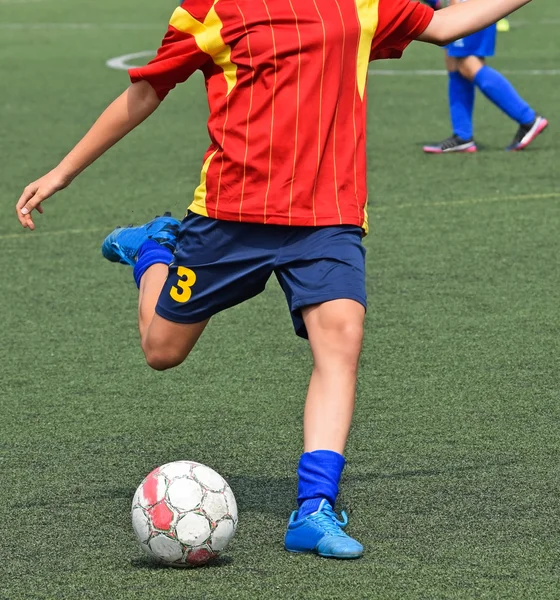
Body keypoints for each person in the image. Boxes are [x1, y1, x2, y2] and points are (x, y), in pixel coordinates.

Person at [16, 0, 535, 559]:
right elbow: (145, 91)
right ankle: (153, 249)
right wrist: (62, 172)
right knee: (161, 350)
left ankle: (314, 508)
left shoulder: (360, 5)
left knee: (340, 339)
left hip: (327, 217)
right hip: (230, 217)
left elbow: (446, 23)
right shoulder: (209, 12)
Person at [423, 0, 547, 153]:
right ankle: (462, 136)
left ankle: (528, 118)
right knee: (454, 62)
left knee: (467, 63)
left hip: (467, 5)